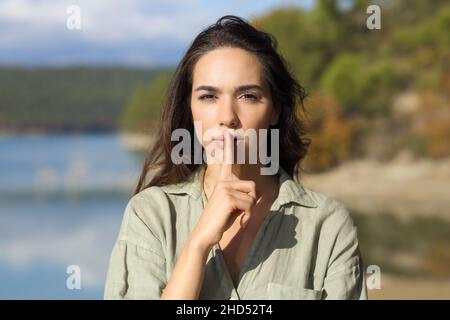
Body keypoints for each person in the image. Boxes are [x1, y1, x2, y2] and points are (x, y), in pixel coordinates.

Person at [104, 15, 367, 300]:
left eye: (248, 96)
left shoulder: (327, 225)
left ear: (275, 110)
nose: (227, 117)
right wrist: (198, 244)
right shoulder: (151, 215)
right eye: (208, 97)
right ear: (190, 110)